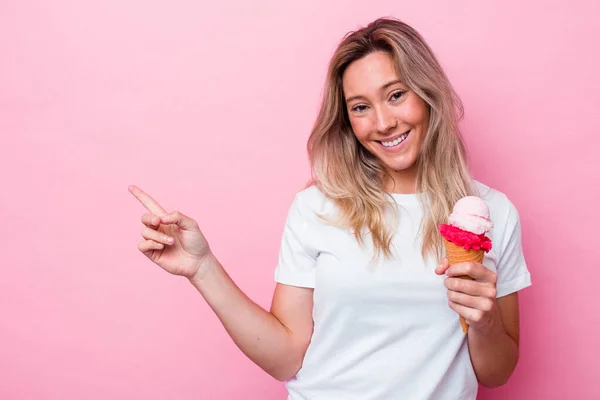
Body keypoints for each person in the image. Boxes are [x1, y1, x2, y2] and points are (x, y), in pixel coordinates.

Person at [129, 17, 532, 400]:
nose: (383, 123)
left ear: (427, 94)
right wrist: (202, 268)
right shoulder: (317, 207)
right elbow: (286, 356)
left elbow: (497, 373)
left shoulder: (494, 212)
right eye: (360, 107)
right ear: (346, 121)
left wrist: (484, 320)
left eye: (396, 95)